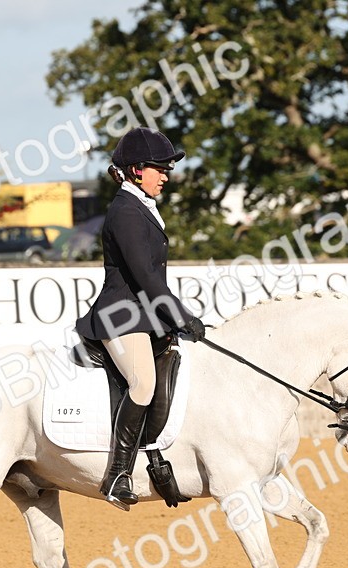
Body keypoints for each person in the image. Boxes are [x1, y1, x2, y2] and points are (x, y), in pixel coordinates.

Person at [74, 127, 206, 510]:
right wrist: (182, 316)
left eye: (167, 169)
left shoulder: (143, 206)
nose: (166, 175)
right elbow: (146, 278)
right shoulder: (125, 211)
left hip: (142, 316)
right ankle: (117, 474)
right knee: (144, 384)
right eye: (159, 168)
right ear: (135, 170)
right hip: (120, 316)